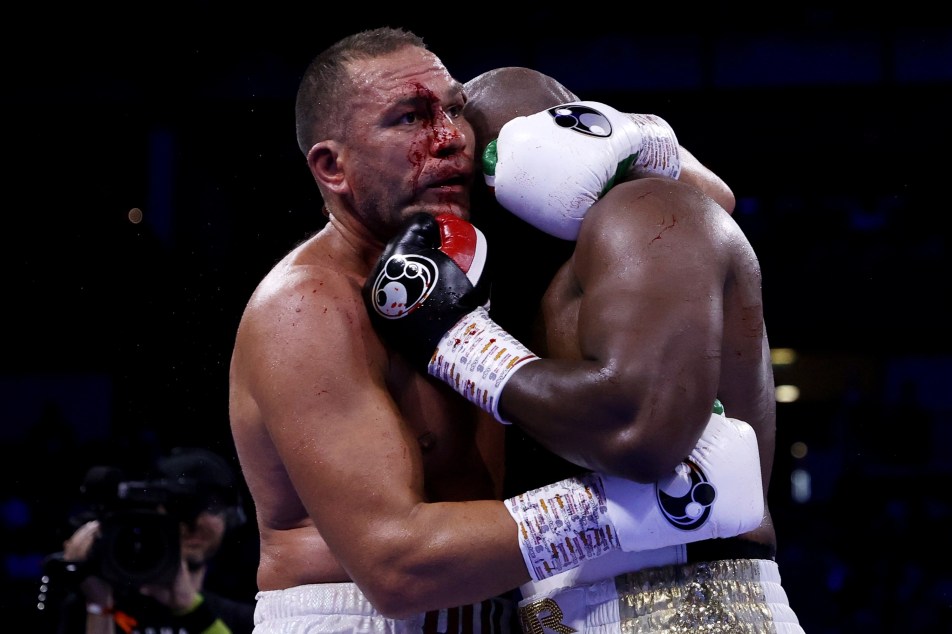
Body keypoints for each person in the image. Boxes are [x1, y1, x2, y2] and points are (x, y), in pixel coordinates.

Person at [229, 26, 766, 634]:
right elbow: (394, 567)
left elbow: (709, 205)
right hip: (356, 614)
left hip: (504, 609)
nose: (448, 139)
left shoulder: (469, 257)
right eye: (409, 119)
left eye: (453, 110)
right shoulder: (310, 305)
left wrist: (636, 137)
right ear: (333, 167)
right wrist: (646, 508)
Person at [363, 65, 806, 632]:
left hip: (689, 604)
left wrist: (459, 344)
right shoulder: (494, 281)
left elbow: (641, 434)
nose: (448, 157)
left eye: (475, 153)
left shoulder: (642, 213)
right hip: (551, 608)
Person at [52, 447, 255, 634]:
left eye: (211, 507)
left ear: (230, 518)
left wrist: (191, 609)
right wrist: (99, 605)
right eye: (180, 507)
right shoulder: (90, 606)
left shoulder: (245, 619)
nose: (195, 522)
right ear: (153, 513)